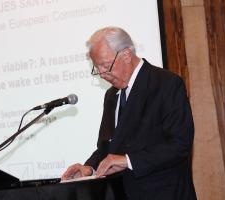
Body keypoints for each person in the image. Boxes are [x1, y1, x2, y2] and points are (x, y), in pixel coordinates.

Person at [61, 27, 197, 200]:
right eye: (97, 68)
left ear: (126, 55)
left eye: (105, 65)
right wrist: (89, 168)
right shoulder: (111, 96)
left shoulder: (166, 84)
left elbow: (180, 145)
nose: (102, 74)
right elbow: (108, 148)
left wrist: (128, 160)